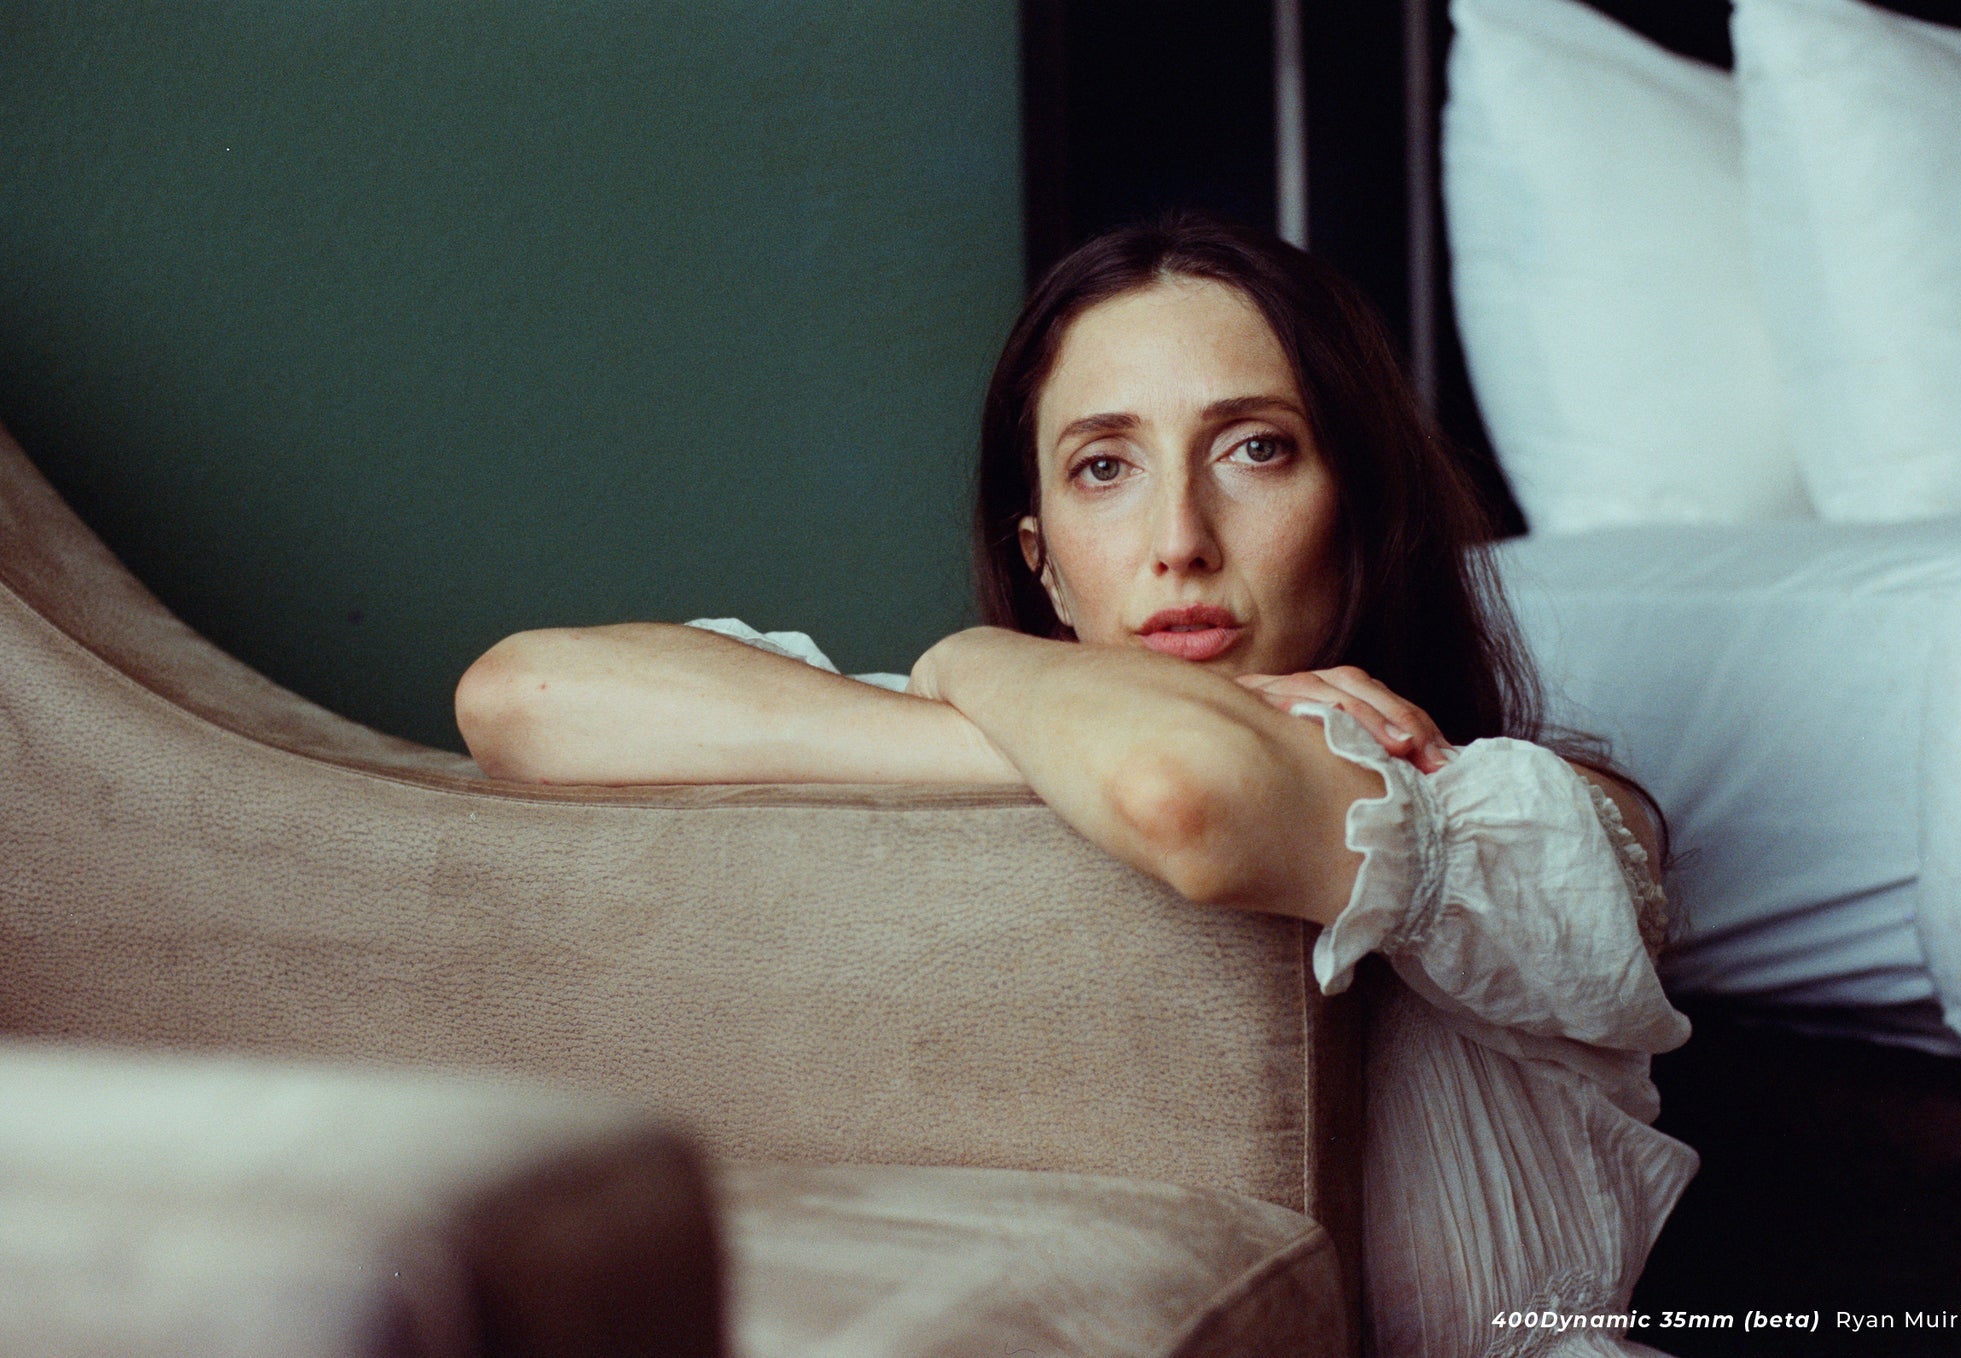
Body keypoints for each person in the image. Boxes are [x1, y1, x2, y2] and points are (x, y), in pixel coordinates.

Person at [455, 214, 1697, 1357]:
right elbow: (520, 698)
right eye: (1105, 465)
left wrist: (966, 664)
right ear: (1038, 558)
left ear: (1358, 506)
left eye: (1256, 449)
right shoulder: (976, 713)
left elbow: (1182, 791)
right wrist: (989, 702)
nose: (1179, 538)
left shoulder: (1527, 813)